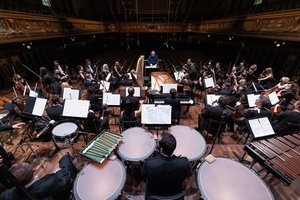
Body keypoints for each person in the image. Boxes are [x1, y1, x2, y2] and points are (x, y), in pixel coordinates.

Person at [0, 153, 78, 200]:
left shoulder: (5, 195)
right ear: (34, 171)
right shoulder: (50, 182)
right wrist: (59, 171)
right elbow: (67, 177)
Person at [141, 131, 192, 199]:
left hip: (155, 196)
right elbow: (187, 178)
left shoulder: (150, 163)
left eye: (157, 142)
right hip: (176, 195)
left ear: (161, 149)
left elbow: (143, 177)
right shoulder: (184, 162)